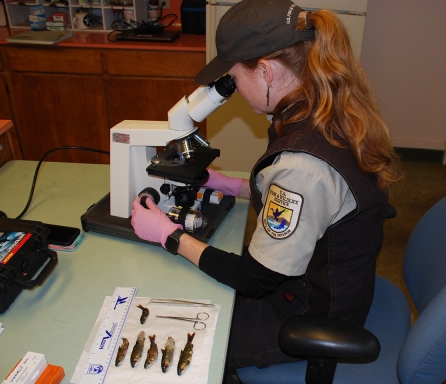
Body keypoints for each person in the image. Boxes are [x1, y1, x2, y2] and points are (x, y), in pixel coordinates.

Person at [131, 0, 402, 381]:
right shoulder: (324, 107)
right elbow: (315, 204)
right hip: (336, 278)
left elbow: (253, 279)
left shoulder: (302, 164)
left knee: (192, 337)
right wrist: (232, 185)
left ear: (266, 71)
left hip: (310, 312)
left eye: (234, 78)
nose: (234, 90)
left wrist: (169, 235)